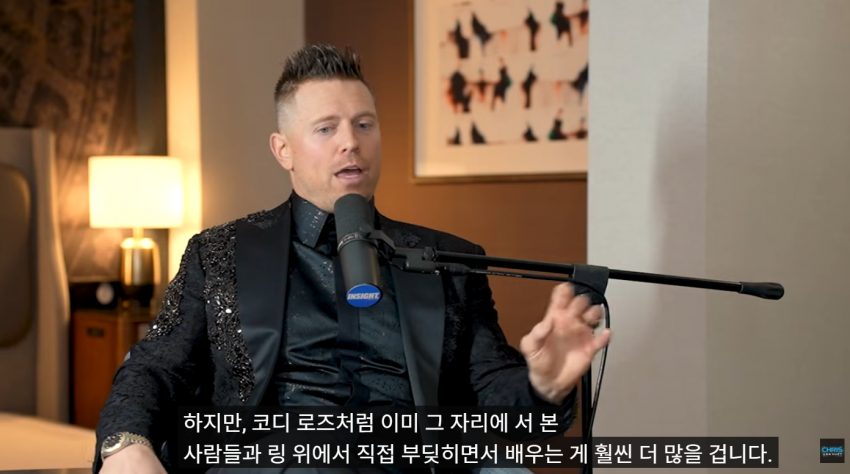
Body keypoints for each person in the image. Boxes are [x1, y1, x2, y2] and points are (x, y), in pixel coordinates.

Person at [94, 44, 611, 474]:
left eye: (364, 124)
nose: (351, 143)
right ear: (283, 149)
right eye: (326, 129)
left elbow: (492, 392)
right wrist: (125, 443)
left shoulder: (450, 260)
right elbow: (155, 367)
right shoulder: (219, 252)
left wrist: (543, 386)